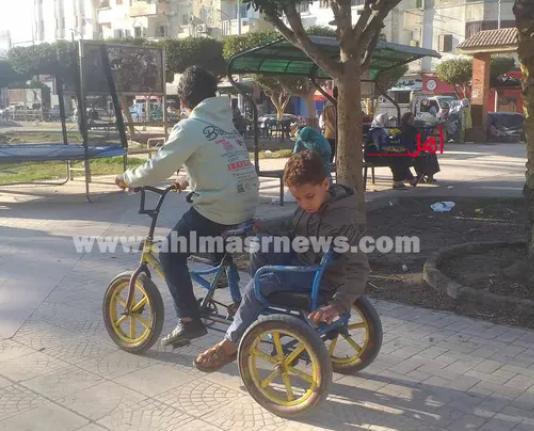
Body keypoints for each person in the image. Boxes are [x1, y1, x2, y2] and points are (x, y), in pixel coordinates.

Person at [115, 66, 260, 347]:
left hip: (220, 209)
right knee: (206, 240)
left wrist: (127, 178)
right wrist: (188, 178)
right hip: (246, 204)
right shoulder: (225, 124)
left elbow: (158, 168)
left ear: (183, 101)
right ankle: (221, 284)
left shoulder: (191, 126)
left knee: (169, 253)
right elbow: (221, 163)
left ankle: (189, 321)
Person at [193, 151, 370, 371]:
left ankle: (230, 343)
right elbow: (293, 222)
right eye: (297, 198)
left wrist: (338, 304)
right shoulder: (317, 202)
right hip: (303, 259)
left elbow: (360, 268)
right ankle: (258, 302)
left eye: (308, 196)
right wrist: (262, 226)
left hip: (320, 277)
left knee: (261, 281)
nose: (304, 203)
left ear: (325, 184)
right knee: (259, 246)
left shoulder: (343, 221)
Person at [364, 113, 417, 189]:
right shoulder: (376, 131)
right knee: (395, 159)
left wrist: (393, 149)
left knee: (399, 157)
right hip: (372, 155)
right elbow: (379, 147)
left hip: (379, 154)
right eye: (385, 121)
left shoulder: (382, 130)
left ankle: (405, 180)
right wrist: (391, 149)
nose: (387, 122)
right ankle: (400, 182)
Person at [320, 86, 338, 163]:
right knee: (329, 159)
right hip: (331, 136)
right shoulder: (330, 105)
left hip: (334, 135)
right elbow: (328, 121)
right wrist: (336, 132)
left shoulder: (335, 104)